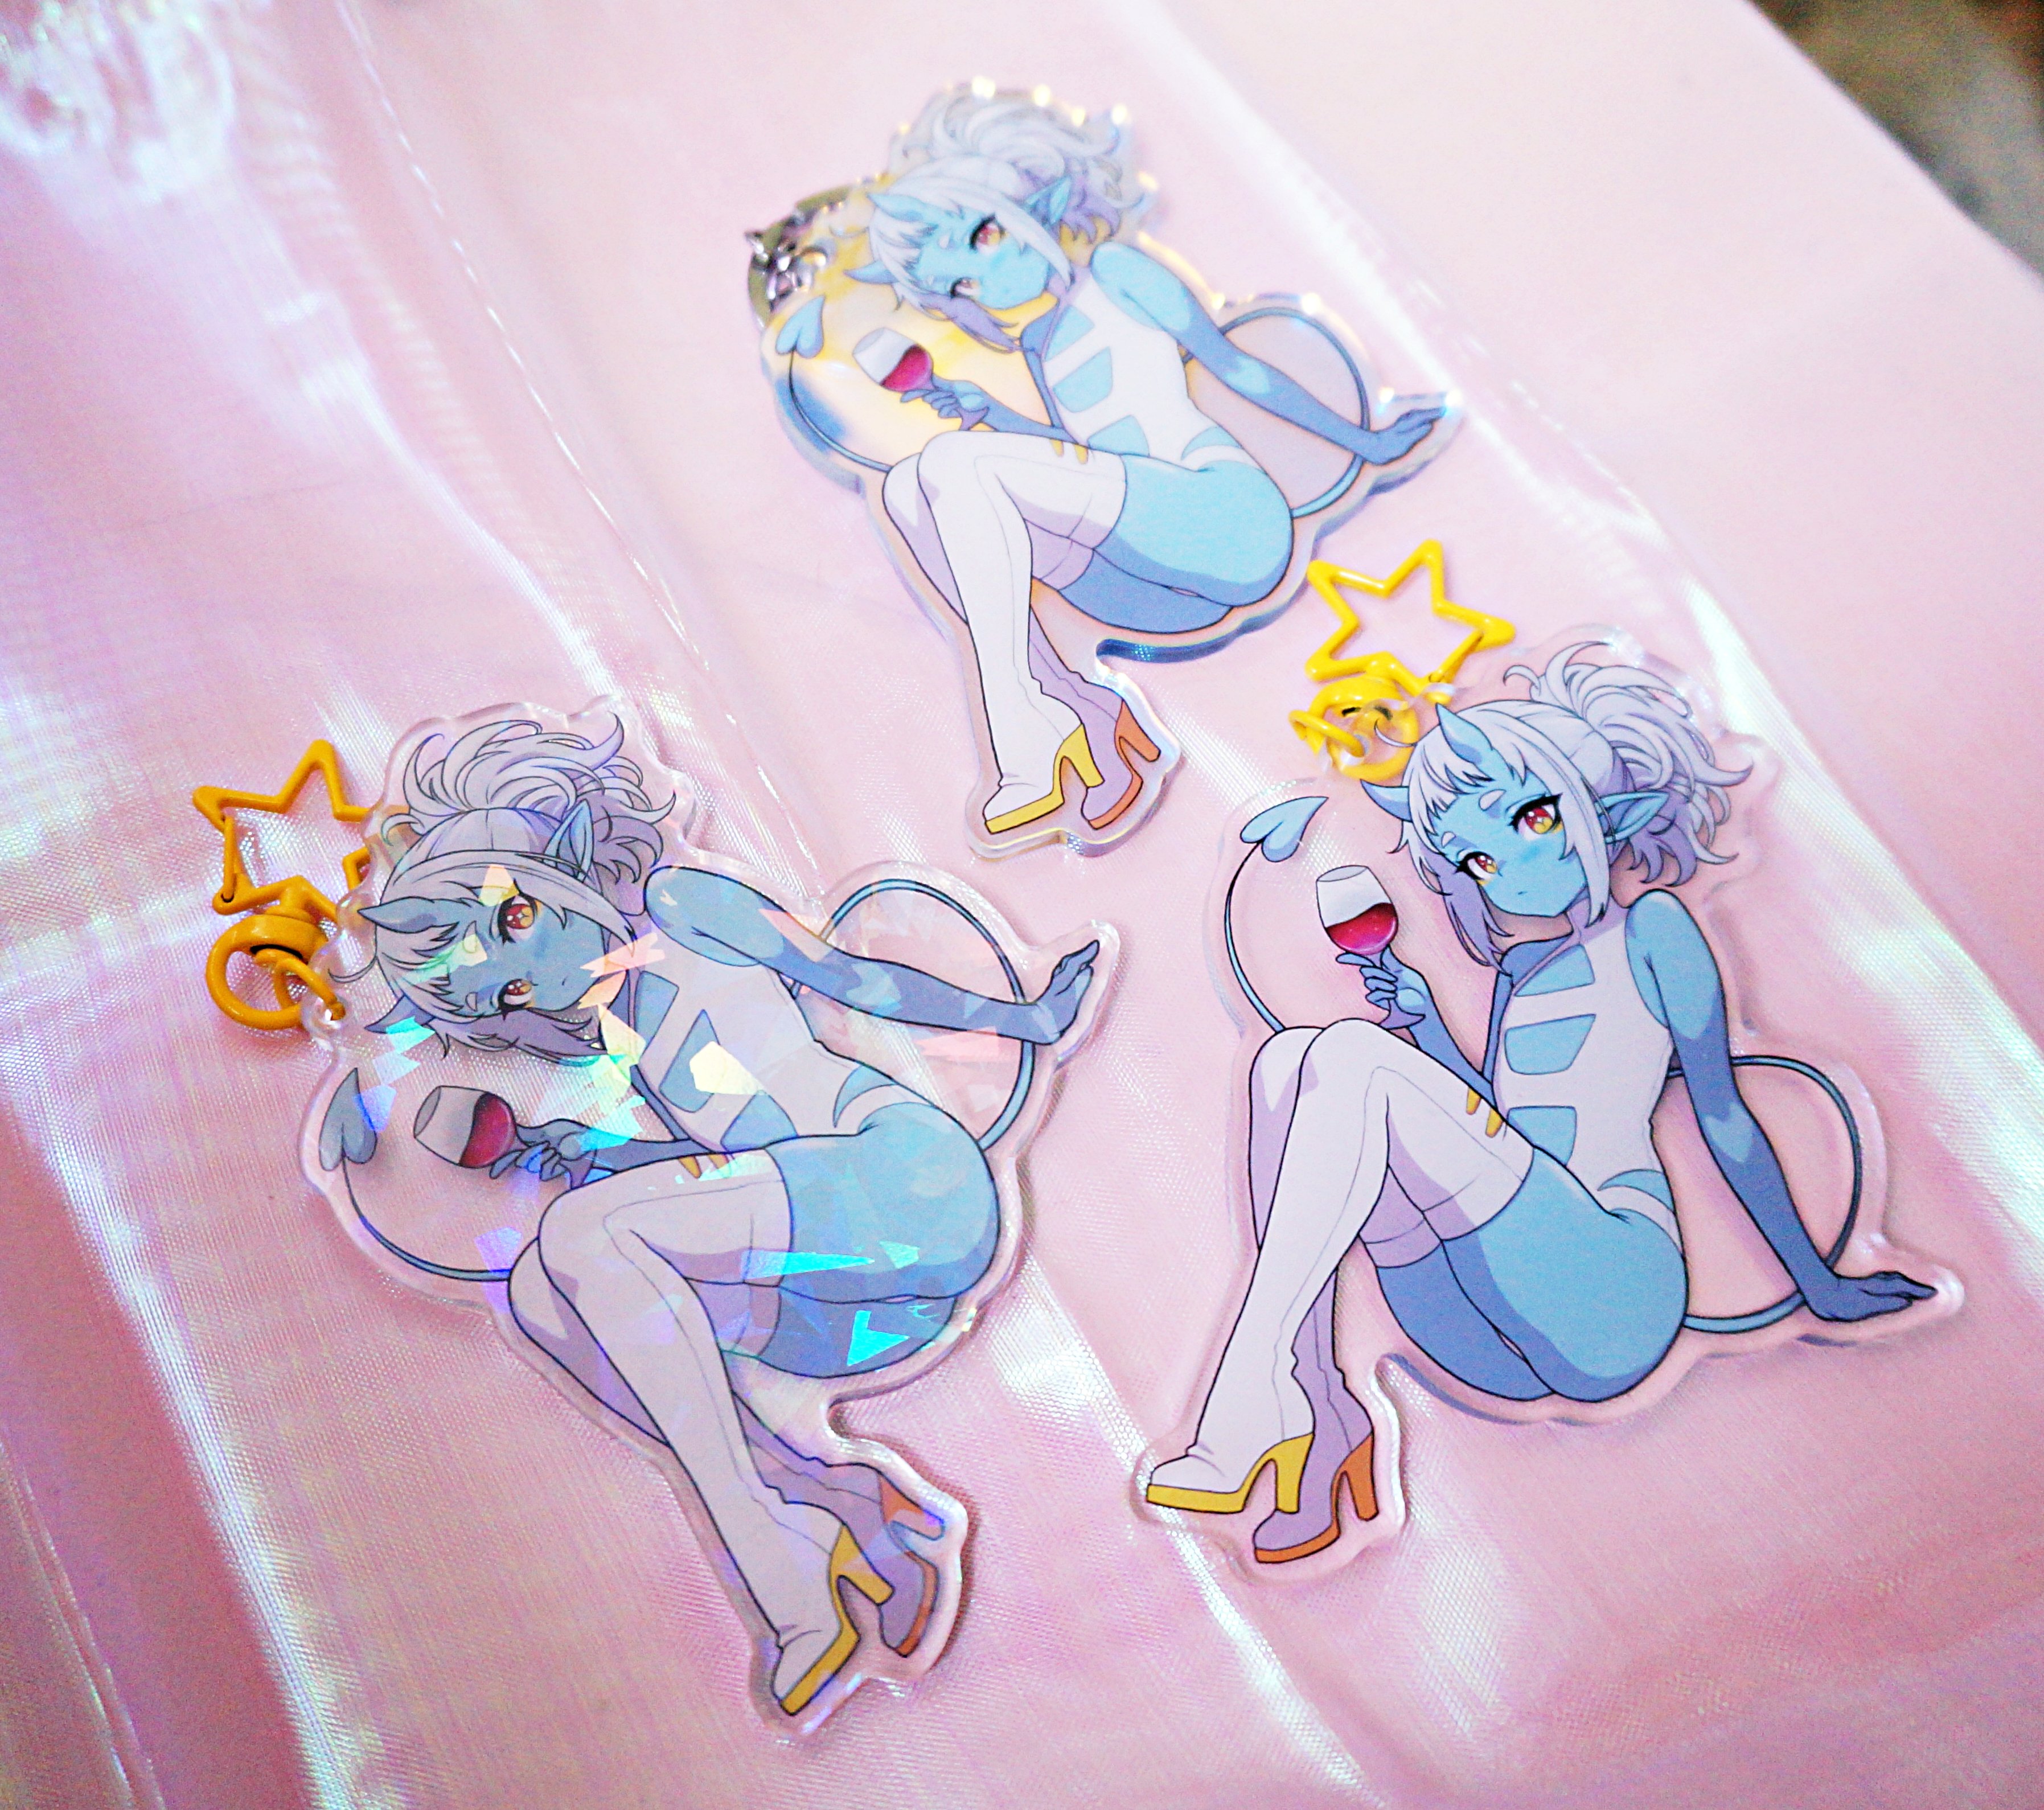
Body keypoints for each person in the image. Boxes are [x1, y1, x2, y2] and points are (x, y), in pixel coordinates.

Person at [352, 716, 1097, 1713]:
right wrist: (599, 1154)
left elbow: (850, 980)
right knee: (538, 1292)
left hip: (907, 1186)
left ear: (552, 863)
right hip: (834, 1290)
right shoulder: (616, 1030)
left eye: (518, 921)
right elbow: (722, 1168)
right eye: (514, 990)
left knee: (583, 1238)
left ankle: (785, 1570)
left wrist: (1024, 1020)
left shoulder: (681, 902)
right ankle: (841, 1502)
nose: (541, 982)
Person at [1148, 650, 1932, 1561]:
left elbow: (1721, 1117)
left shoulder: (1654, 930)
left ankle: (1257, 1394)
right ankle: (1321, 1409)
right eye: (1478, 859)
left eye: (1532, 817)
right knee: (1284, 1063)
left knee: (1349, 1057)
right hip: (1484, 1321)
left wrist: (1818, 1284)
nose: (1512, 870)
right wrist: (1429, 1027)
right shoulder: (1519, 970)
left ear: (1594, 811)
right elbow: (1506, 1137)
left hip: (1612, 1292)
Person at [781, 88, 1443, 836]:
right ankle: (1082, 707)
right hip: (1140, 576)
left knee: (954, 467)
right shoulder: (1036, 343)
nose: (983, 283)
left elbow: (1233, 367)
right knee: (910, 487)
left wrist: (1367, 443)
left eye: (983, 237)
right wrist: (985, 412)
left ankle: (1026, 733)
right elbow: (1083, 462)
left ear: (1031, 206)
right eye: (958, 285)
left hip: (1222, 520)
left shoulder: (1119, 270)